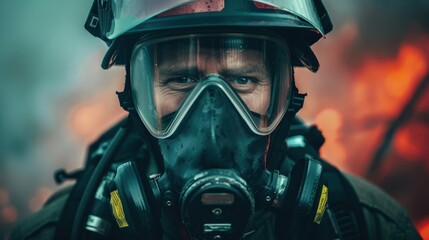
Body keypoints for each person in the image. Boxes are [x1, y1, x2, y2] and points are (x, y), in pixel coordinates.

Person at [11, 0, 422, 239]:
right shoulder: (58, 233)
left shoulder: (368, 226)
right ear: (134, 98)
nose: (212, 120)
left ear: (287, 97)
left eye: (243, 79)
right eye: (181, 78)